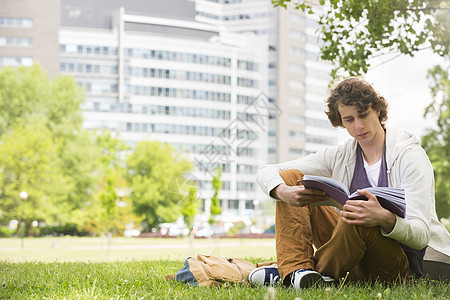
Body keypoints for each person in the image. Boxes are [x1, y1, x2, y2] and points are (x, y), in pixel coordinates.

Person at [250, 77, 450, 291]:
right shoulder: (341, 155)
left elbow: (420, 236)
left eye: (363, 115)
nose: (359, 126)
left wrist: (384, 218)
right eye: (349, 120)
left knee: (358, 218)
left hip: (403, 264)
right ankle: (297, 272)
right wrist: (282, 191)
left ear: (378, 111)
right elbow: (267, 171)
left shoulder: (410, 156)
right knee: (290, 177)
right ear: (341, 121)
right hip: (352, 256)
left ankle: (292, 273)